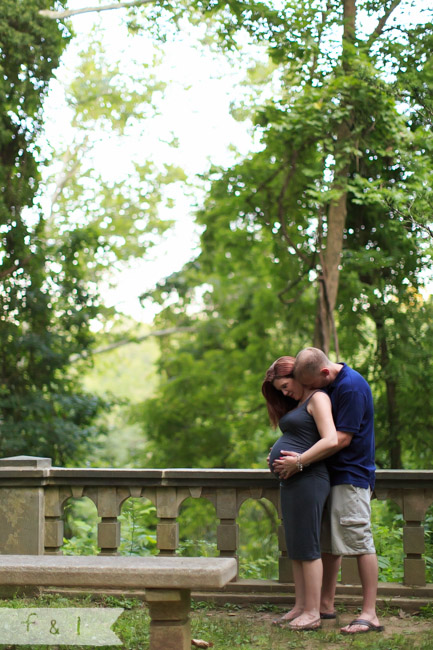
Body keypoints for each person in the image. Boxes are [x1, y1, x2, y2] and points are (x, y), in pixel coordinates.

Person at [273, 347, 383, 635]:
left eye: (310, 384)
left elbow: (340, 439)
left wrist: (298, 461)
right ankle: (325, 605)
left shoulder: (351, 388)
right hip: (331, 474)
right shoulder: (329, 384)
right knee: (328, 544)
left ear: (323, 373)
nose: (309, 390)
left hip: (352, 474)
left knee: (359, 540)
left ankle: (370, 613)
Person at [262, 356, 338, 631]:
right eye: (280, 390)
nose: (284, 393)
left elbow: (330, 439)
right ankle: (300, 606)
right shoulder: (298, 404)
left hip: (309, 479)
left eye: (285, 385)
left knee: (308, 546)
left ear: (297, 375)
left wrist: (300, 461)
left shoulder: (318, 398)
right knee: (296, 547)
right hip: (292, 481)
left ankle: (313, 612)